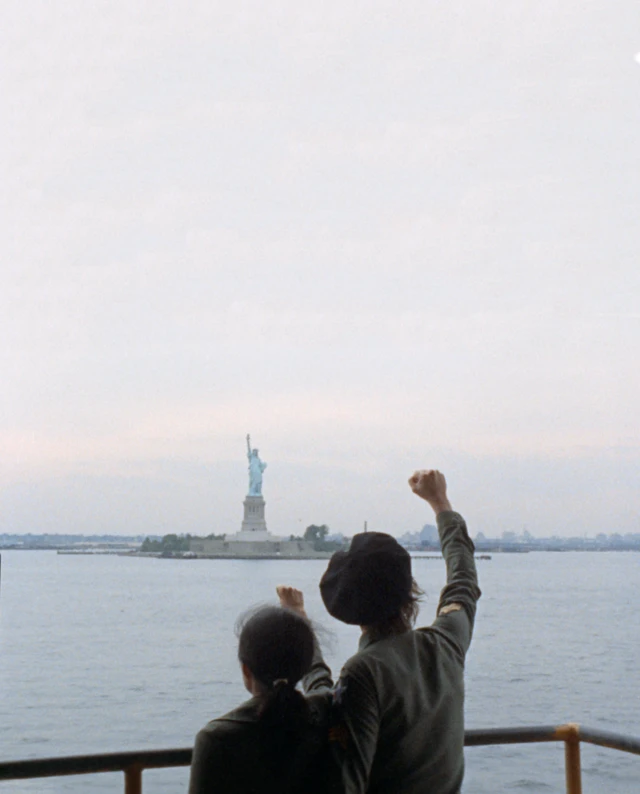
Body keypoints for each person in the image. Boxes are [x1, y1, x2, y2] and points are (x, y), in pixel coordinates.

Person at [314, 469, 481, 794]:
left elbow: (348, 777)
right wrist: (439, 502)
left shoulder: (362, 673)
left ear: (345, 611)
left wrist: (304, 636)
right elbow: (463, 581)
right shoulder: (446, 643)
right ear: (410, 589)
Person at [188, 587, 337, 794]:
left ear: (246, 670)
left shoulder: (216, 738)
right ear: (302, 668)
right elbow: (320, 678)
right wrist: (299, 617)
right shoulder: (326, 709)